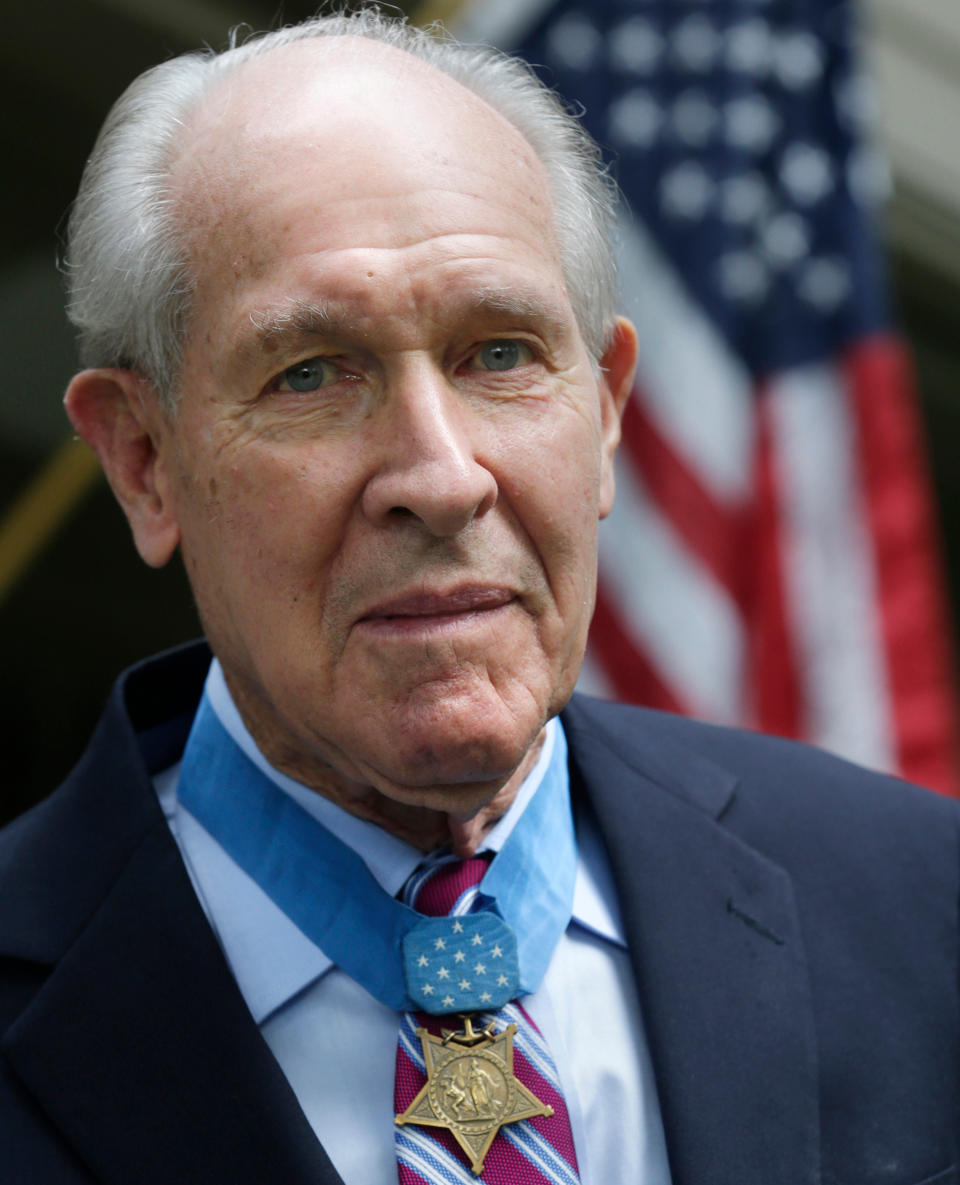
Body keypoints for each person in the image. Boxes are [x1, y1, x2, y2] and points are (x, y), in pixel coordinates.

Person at [1, 9, 958, 1185]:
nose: (444, 479)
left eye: (501, 354)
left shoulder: (923, 910)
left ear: (605, 412)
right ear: (144, 463)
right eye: (312, 374)